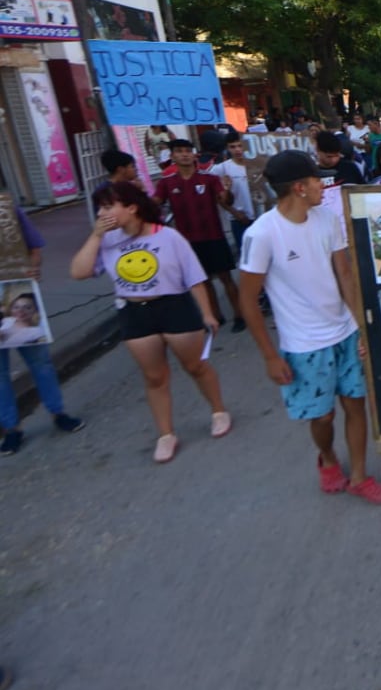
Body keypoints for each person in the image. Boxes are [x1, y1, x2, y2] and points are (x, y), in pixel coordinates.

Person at [237, 150, 381, 504]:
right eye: (316, 180)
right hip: (303, 345)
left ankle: (358, 476)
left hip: (345, 333)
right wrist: (269, 356)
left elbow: (345, 274)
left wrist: (360, 327)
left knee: (356, 405)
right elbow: (247, 300)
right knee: (321, 418)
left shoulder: (327, 219)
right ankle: (327, 457)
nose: (325, 185)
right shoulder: (261, 234)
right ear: (299, 187)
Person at [71, 181, 229, 464]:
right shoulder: (107, 240)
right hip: (134, 312)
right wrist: (95, 237)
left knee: (195, 366)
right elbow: (79, 272)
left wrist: (206, 313)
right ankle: (166, 433)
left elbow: (195, 278)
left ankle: (218, 410)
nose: (101, 213)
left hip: (174, 306)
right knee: (154, 377)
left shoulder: (169, 237)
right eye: (100, 208)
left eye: (108, 207)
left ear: (131, 207)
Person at [0, 207, 84, 457]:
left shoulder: (7, 210)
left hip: (16, 293)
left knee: (41, 362)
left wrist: (34, 268)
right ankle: (11, 428)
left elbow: (34, 248)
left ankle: (58, 413)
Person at [152, 139, 245, 332]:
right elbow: (155, 204)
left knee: (226, 278)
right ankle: (216, 316)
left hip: (214, 236)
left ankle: (239, 315)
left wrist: (227, 191)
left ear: (194, 155)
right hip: (188, 242)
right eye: (179, 151)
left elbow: (224, 200)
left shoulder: (209, 179)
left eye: (188, 151)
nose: (184, 154)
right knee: (203, 281)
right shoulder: (167, 183)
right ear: (172, 156)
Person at [209, 131, 254, 253]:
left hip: (262, 218)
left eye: (240, 145)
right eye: (232, 147)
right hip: (240, 221)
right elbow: (215, 195)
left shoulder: (258, 164)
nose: (237, 150)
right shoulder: (221, 169)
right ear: (227, 148)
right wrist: (235, 213)